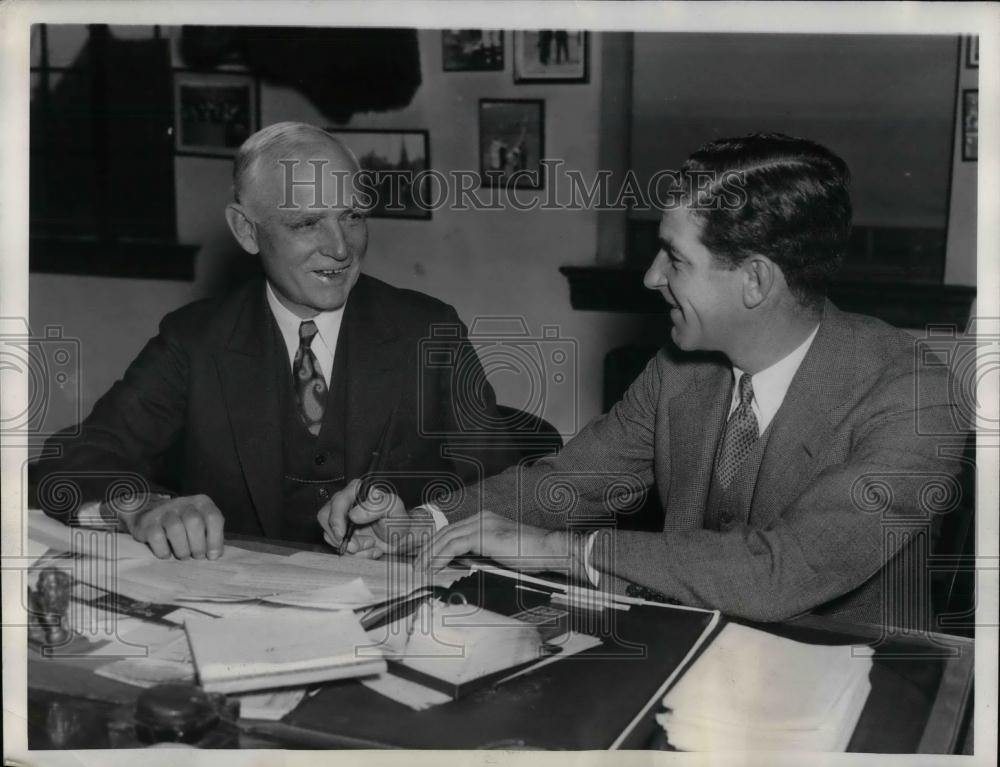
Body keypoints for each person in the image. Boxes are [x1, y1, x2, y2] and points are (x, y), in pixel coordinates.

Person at [321, 133, 964, 628]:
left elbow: (781, 571)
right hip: (686, 650)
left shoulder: (915, 399)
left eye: (676, 259)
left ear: (756, 281)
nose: (652, 277)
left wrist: (564, 551)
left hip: (855, 687)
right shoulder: (680, 369)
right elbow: (570, 482)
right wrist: (426, 523)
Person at [38, 122, 518, 559]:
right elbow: (72, 458)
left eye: (352, 216)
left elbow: (510, 489)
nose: (340, 247)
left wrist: (418, 526)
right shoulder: (195, 340)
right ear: (246, 231)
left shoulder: (429, 332)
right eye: (307, 223)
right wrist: (141, 505)